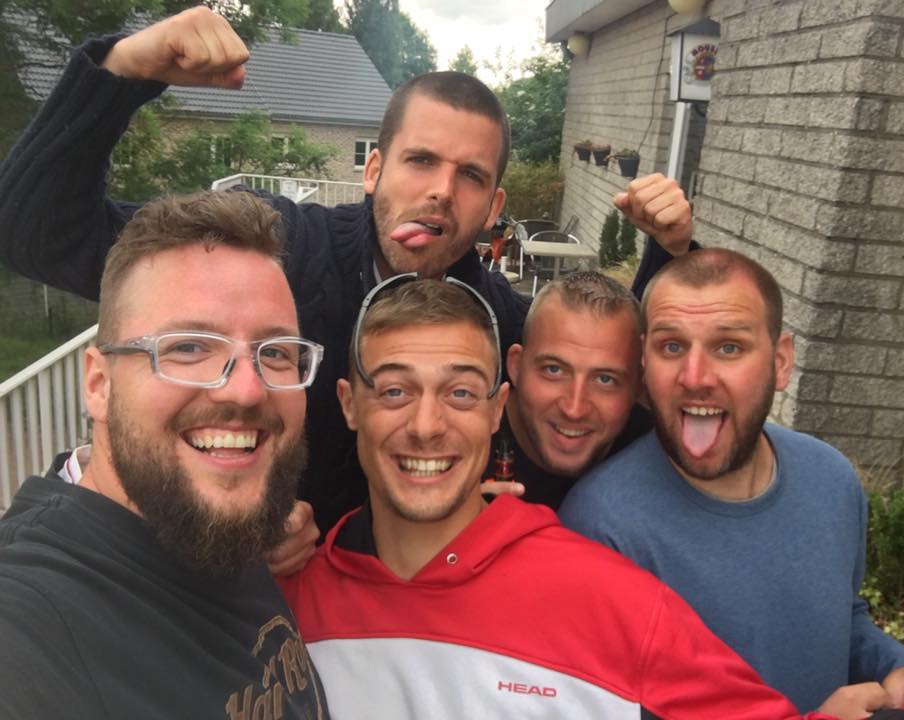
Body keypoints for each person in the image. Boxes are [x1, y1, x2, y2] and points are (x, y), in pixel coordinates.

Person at [0, 7, 693, 537]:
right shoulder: (278, 252)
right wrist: (122, 72)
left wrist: (667, 255)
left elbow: (604, 398)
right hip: (252, 592)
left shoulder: (499, 322)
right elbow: (38, 237)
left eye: (470, 176)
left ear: (493, 207)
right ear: (373, 170)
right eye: (421, 161)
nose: (441, 192)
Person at [277, 275, 904, 720]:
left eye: (461, 392)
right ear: (348, 405)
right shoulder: (282, 602)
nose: (425, 425)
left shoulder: (615, 599)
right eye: (394, 390)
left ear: (496, 408)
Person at [560, 248, 904, 713]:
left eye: (729, 347)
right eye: (672, 347)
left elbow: (844, 621)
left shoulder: (832, 480)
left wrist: (895, 666)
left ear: (781, 362)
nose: (695, 377)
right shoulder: (600, 528)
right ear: (645, 365)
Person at [0, 191, 328, 718]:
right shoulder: (31, 622)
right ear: (99, 384)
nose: (247, 390)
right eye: (189, 347)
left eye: (275, 352)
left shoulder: (212, 529)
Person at [481, 270, 650, 508]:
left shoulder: (660, 456)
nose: (574, 409)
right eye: (553, 370)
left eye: (605, 379)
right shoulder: (462, 448)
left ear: (638, 387)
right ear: (516, 366)